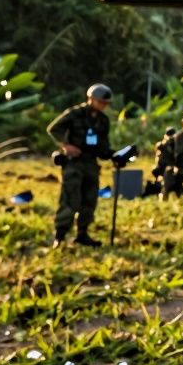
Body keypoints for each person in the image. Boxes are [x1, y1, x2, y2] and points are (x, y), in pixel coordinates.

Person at [46, 83, 113, 247]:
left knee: (89, 200)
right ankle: (60, 236)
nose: (103, 106)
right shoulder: (75, 114)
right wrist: (65, 145)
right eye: (100, 102)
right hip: (74, 163)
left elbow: (103, 146)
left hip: (91, 163)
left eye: (105, 103)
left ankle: (82, 234)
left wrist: (114, 155)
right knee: (70, 199)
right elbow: (53, 129)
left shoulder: (103, 121)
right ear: (91, 99)